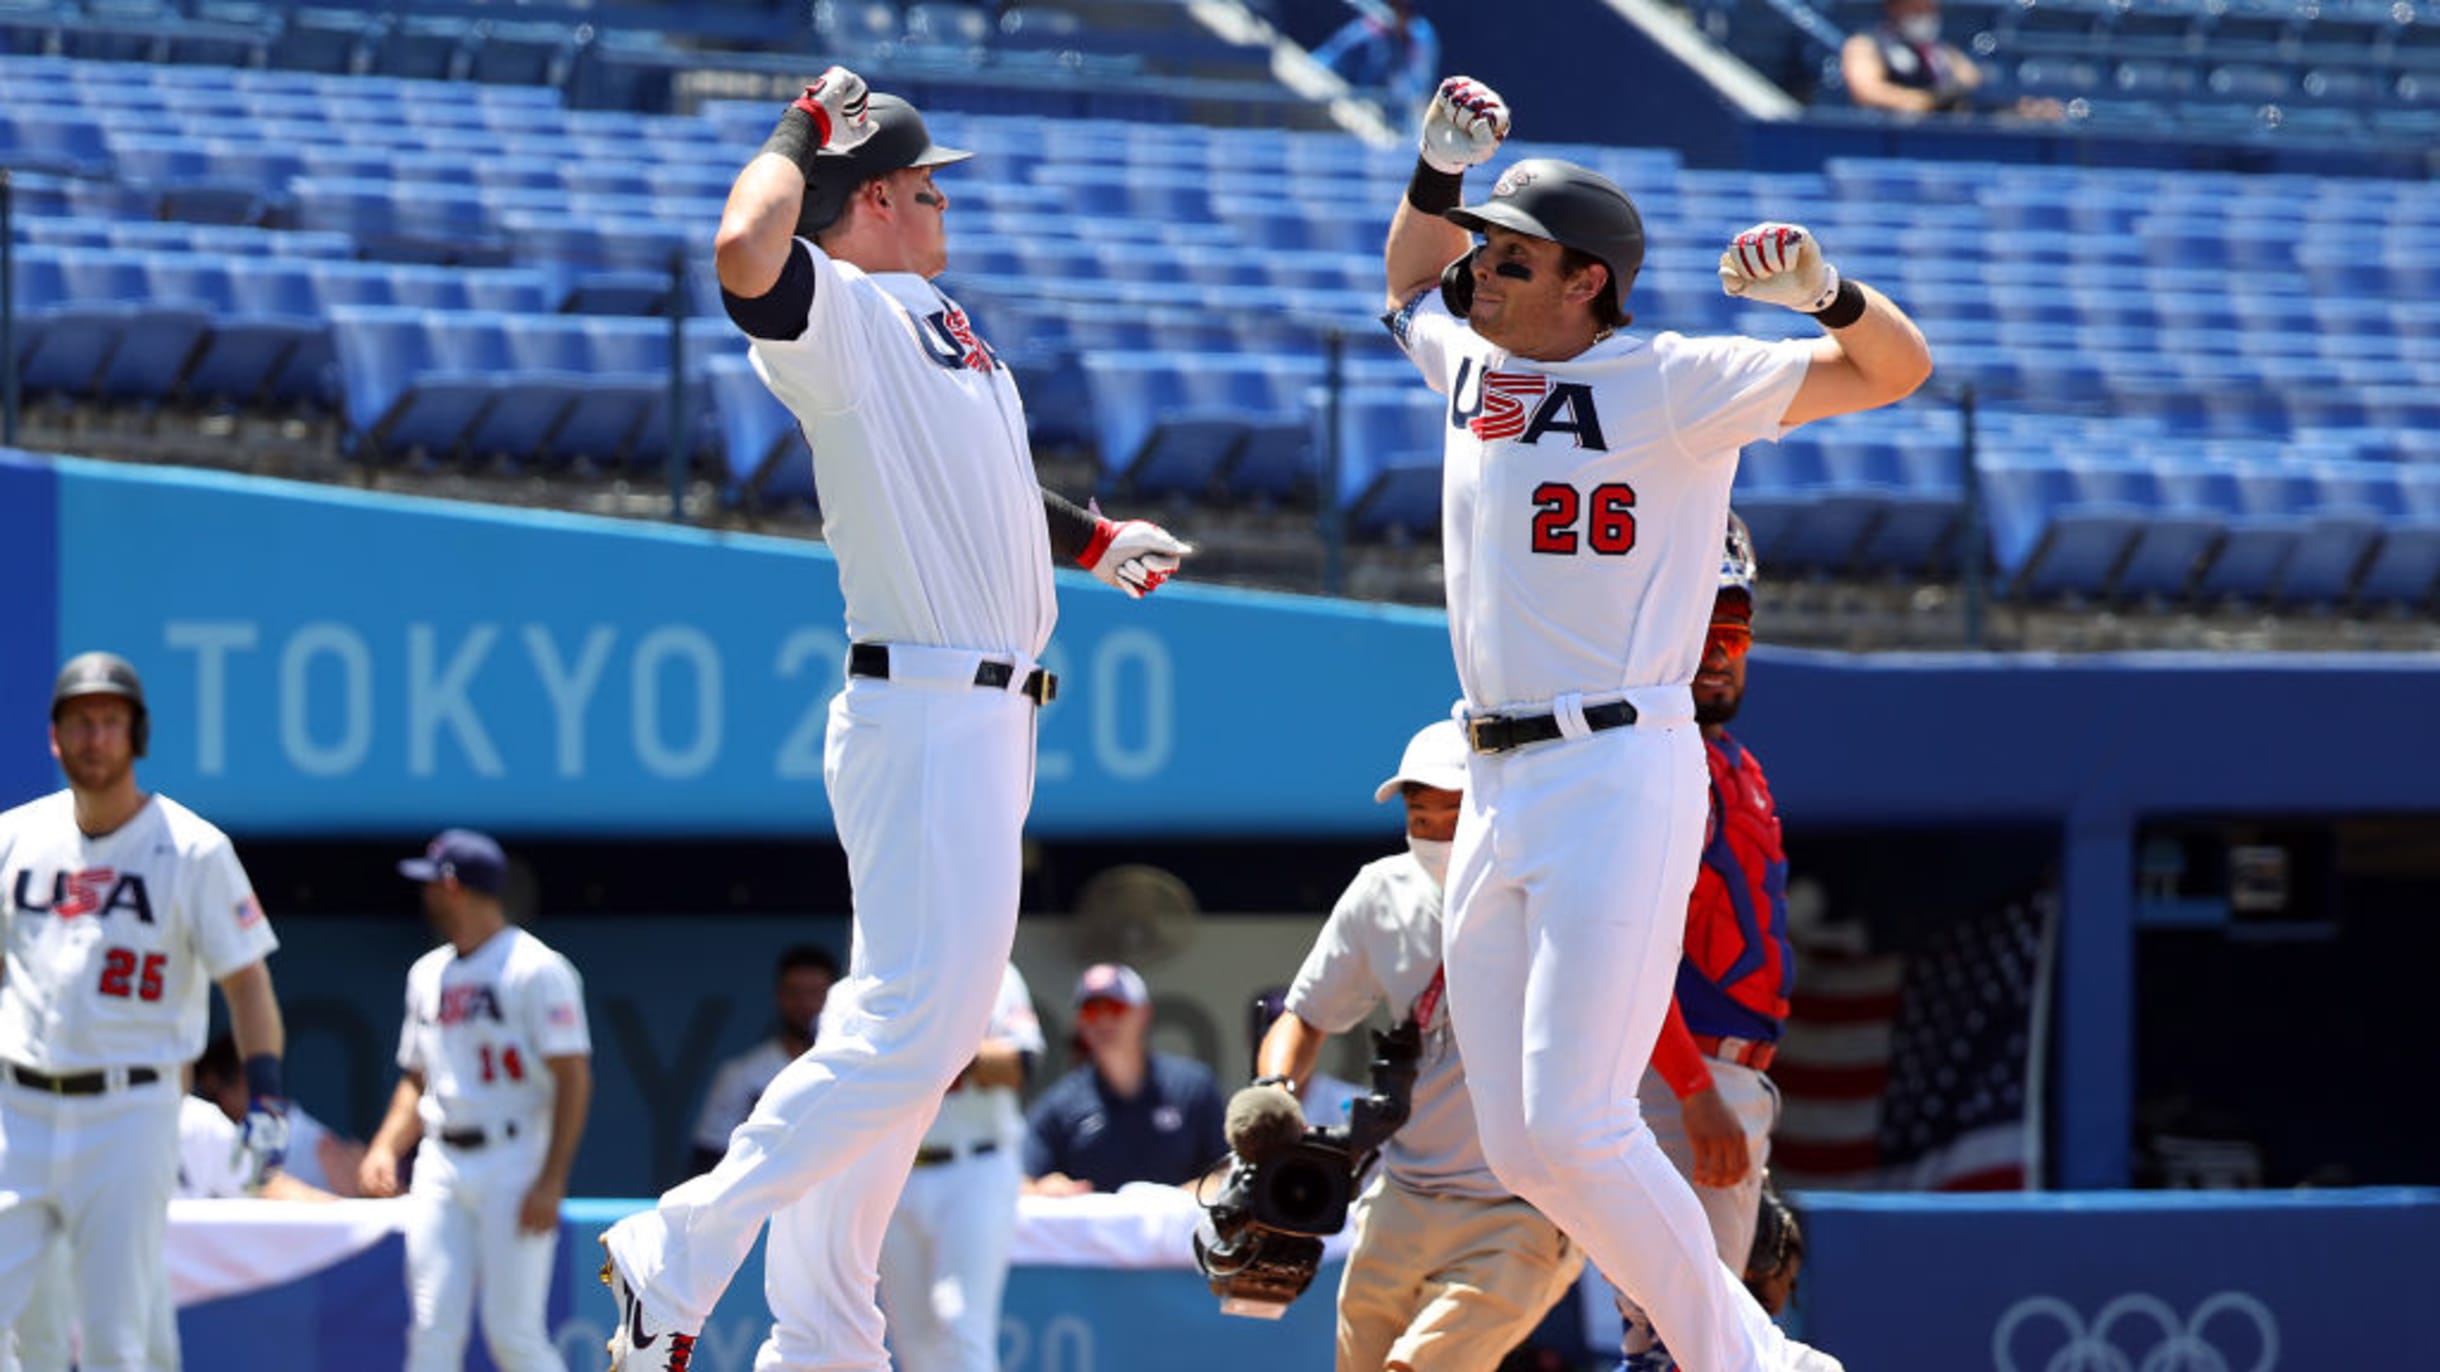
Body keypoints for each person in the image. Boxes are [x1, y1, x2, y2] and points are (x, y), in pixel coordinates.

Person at [599, 66, 1193, 1372]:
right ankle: (684, 1243)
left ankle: (819, 1339)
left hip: (976, 713)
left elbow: (981, 486)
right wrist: (797, 135)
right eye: (926, 182)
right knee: (919, 1027)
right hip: (927, 706)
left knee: (905, 1043)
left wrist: (1091, 544)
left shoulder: (938, 323)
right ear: (875, 194)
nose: (942, 200)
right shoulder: (852, 312)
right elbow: (742, 253)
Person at [1382, 74, 1930, 1372]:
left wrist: (1824, 292)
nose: (1484, 272)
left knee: (1573, 1120)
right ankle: (1758, 1351)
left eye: (1513, 257)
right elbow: (1405, 285)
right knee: (1525, 1142)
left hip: (1620, 762)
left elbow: (1897, 370)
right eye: (1488, 250)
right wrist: (1434, 171)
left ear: (1589, 281)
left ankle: (1737, 1363)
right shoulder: (1474, 360)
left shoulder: (1680, 378)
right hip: (1497, 771)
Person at [1256, 720, 1584, 1372]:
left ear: (1495, 805)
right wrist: (1271, 1096)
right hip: (1402, 1193)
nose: (1433, 830)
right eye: (1419, 815)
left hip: (1520, 1204)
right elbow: (1304, 1017)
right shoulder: (1381, 891)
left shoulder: (1551, 889)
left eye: (1451, 812)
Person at [0, 651, 290, 1372]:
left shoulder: (191, 848)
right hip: (18, 1107)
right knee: (27, 1331)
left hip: (131, 1110)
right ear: (53, 738)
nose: (94, 737)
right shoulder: (15, 837)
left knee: (112, 1341)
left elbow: (246, 982)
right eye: (79, 723)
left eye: (110, 722)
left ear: (137, 736)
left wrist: (268, 1096)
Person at [1609, 514, 1798, 1370]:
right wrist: (1692, 1093)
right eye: (1697, 633)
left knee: (1693, 1343)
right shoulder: (1654, 762)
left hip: (1723, 1085)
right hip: (1678, 1080)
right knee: (1686, 1351)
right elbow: (1624, 958)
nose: (1717, 652)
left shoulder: (1734, 763)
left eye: (1734, 631)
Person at [360, 829, 594, 1372]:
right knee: (432, 1326)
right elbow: (417, 1078)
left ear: (453, 887)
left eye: (431, 883)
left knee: (512, 1333)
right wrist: (383, 1147)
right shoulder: (427, 973)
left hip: (515, 1153)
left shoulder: (537, 969)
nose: (424, 896)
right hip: (441, 1158)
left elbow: (574, 1078)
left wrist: (552, 1177)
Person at [877, 962, 1043, 1372]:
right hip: (894, 1172)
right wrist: (952, 1048)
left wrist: (925, 1045)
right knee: (912, 1340)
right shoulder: (873, 971)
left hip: (975, 1166)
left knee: (961, 1321)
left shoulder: (994, 969)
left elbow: (1020, 1063)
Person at [1022, 963, 1226, 1196]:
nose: (1103, 1020)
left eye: (1114, 1007)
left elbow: (1227, 1172)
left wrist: (1186, 1198)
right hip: (1094, 1231)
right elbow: (1022, 1183)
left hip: (1179, 1230)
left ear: (1144, 1013)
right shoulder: (1058, 1104)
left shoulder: (1193, 1087)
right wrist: (1044, 1189)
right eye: (1091, 1010)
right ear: (1080, 1023)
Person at [688, 944, 840, 1177]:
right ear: (779, 996)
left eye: (816, 994)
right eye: (795, 993)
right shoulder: (743, 1074)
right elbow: (709, 1158)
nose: (805, 1005)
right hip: (762, 1200)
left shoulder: (854, 1070)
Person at [197, 1030, 365, 1196]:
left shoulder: (311, 1141)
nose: (212, 1105)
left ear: (244, 1080)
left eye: (213, 1095)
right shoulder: (215, 1138)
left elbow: (352, 1204)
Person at [1839, 0, 2065, 119]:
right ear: (1893, 7)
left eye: (1929, 8)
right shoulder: (1865, 45)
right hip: (1889, 138)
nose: (1924, 15)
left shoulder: (1944, 52)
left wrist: (2018, 108)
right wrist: (1922, 101)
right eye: (1915, 8)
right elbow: (1866, 90)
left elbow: (1973, 87)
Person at [1311, 0, 1440, 115]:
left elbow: (1417, 86)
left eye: (1400, 8)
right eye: (1392, 6)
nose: (1395, 13)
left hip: (1401, 116)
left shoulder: (1421, 36)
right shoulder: (1369, 31)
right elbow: (1329, 58)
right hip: (1362, 103)